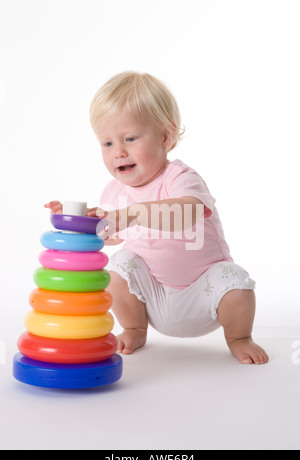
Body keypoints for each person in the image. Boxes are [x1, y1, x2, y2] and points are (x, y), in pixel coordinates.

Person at [45, 71, 269, 365]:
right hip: (153, 296)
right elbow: (112, 235)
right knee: (119, 265)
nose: (118, 152)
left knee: (237, 282)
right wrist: (82, 222)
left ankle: (239, 337)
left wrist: (132, 213)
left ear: (165, 136)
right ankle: (135, 328)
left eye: (129, 138)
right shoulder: (115, 190)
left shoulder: (180, 177)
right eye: (107, 143)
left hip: (203, 290)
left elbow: (185, 214)